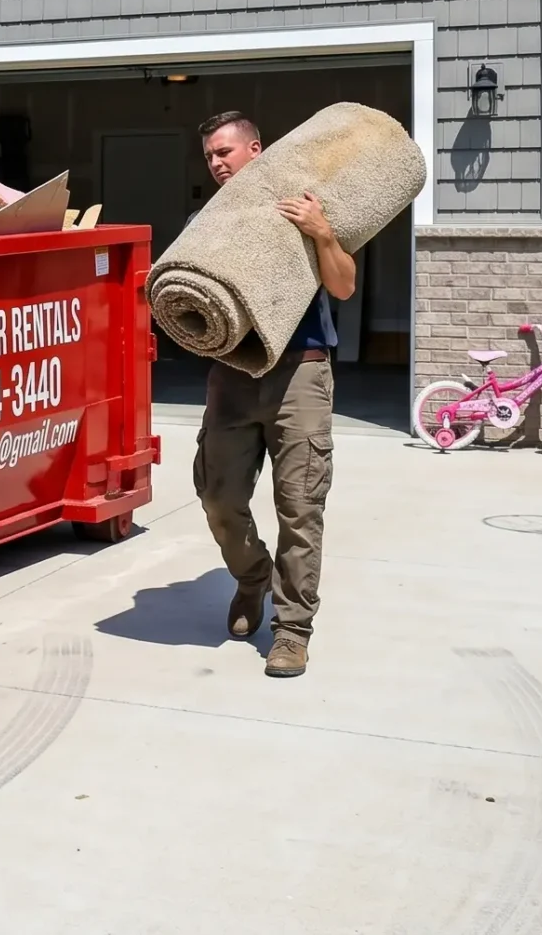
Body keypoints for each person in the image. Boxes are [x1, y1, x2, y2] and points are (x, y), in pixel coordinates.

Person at [191, 111, 355, 679]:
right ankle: (252, 576)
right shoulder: (205, 221)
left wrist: (323, 232)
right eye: (210, 155)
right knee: (218, 497)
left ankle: (292, 631)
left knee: (301, 506)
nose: (216, 163)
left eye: (225, 152)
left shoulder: (302, 209)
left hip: (301, 375)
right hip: (232, 378)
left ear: (256, 150)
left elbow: (343, 286)